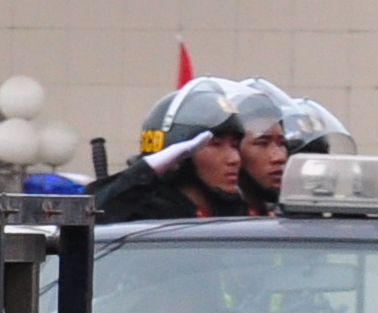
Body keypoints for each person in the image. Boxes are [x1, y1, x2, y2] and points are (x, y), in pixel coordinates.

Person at [93, 79, 276, 223]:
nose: (234, 158)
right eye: (215, 144)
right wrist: (148, 168)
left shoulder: (235, 211)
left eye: (235, 145)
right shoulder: (147, 214)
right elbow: (87, 217)